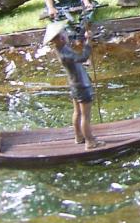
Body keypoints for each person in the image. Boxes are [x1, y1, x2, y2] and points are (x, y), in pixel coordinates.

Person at [43, 21, 104, 150]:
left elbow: (76, 60)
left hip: (74, 84)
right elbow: (83, 57)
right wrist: (88, 41)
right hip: (82, 86)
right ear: (61, 38)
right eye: (65, 33)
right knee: (85, 116)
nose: (67, 35)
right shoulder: (66, 53)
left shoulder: (62, 49)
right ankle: (90, 141)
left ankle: (79, 136)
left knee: (77, 112)